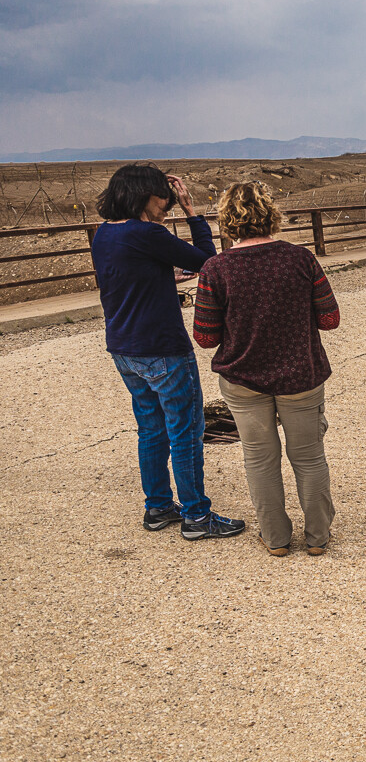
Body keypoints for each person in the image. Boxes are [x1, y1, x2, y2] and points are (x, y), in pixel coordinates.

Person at [91, 163, 244, 540]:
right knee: (187, 430)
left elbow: (124, 276)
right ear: (145, 194)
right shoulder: (147, 233)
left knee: (151, 429)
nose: (169, 205)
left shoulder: (104, 235)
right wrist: (194, 214)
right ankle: (196, 516)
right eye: (166, 197)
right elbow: (209, 261)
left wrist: (160, 275)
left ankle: (157, 506)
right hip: (162, 347)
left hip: (124, 348)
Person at [193, 182, 339, 557]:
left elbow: (206, 338)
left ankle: (275, 539)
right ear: (271, 215)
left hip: (244, 380)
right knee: (308, 456)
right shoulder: (300, 259)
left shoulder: (216, 268)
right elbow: (330, 318)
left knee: (259, 458)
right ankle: (318, 537)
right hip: (300, 376)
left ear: (227, 220)